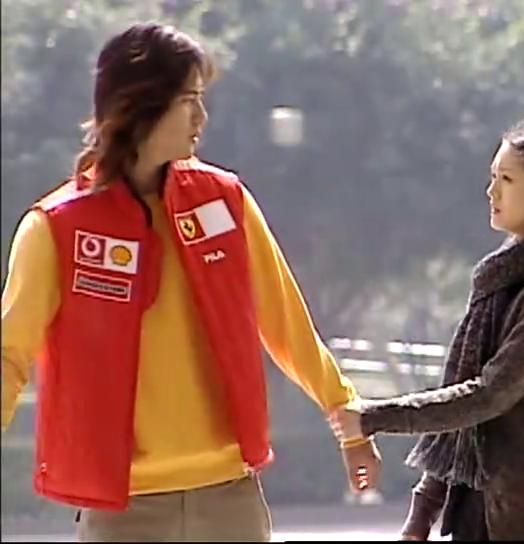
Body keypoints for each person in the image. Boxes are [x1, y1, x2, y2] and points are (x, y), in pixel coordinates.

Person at [1, 22, 380, 542]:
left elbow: (286, 323)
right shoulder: (56, 228)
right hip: (124, 509)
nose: (202, 117)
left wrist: (345, 415)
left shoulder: (225, 201)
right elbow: (10, 355)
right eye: (188, 100)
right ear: (139, 105)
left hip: (230, 497)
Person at [330, 118, 524, 541]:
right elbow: (464, 398)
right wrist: (423, 512)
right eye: (493, 177)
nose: (491, 192)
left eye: (506, 180)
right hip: (478, 514)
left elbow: (489, 394)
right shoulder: (505, 273)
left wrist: (374, 418)